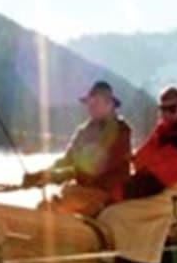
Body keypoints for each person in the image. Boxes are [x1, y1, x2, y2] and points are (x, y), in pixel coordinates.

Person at [96, 85, 177, 263]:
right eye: (162, 109)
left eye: (172, 109)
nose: (166, 114)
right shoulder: (165, 131)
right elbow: (142, 158)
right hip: (163, 187)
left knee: (113, 216)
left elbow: (155, 180)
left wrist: (115, 193)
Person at [22, 80, 131, 216]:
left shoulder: (121, 131)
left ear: (110, 105)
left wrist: (52, 177)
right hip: (81, 193)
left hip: (108, 197)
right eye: (89, 103)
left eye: (96, 103)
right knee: (44, 207)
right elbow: (67, 160)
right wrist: (42, 175)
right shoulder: (84, 131)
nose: (91, 107)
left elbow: (93, 168)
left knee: (60, 204)